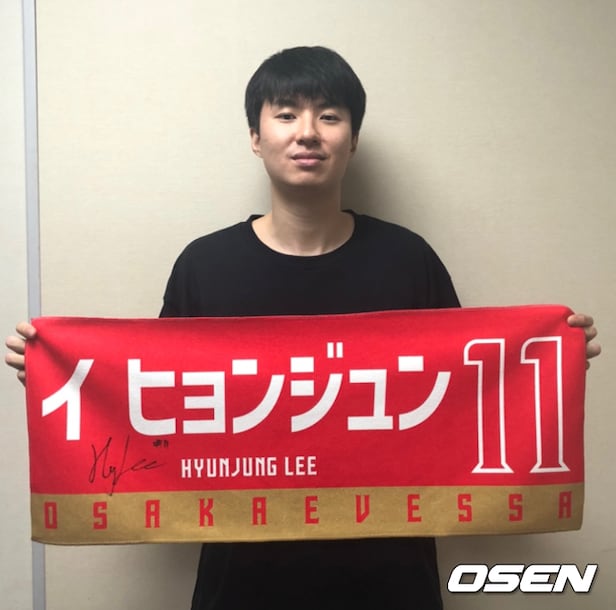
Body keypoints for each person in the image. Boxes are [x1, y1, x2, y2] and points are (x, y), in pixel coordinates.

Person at [5, 46, 601, 610]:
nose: (308, 132)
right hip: (243, 579)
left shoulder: (406, 259)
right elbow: (155, 408)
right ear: (256, 137)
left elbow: (469, 395)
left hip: (392, 575)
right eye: (286, 114)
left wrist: (550, 363)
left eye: (329, 116)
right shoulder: (206, 265)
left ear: (353, 139)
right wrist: (67, 380)